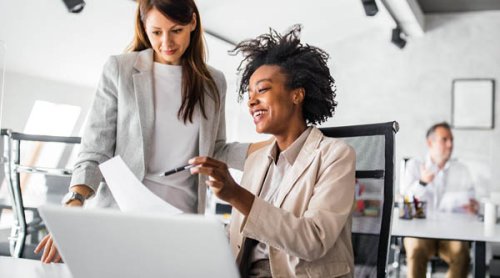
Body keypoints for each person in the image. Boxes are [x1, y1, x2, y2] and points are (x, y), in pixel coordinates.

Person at [35, 0, 266, 263]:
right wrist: (74, 202)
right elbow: (95, 149)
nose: (166, 41)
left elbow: (216, 150)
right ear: (144, 28)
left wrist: (273, 147)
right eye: (156, 32)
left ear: (192, 22)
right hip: (121, 219)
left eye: (176, 30)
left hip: (181, 225)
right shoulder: (119, 69)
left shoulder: (213, 82)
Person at [189, 25, 356, 277]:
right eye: (250, 93)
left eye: (263, 89)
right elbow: (239, 237)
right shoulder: (257, 160)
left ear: (296, 95)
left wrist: (235, 194)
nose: (251, 101)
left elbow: (314, 240)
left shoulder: (335, 155)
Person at [400, 122, 477, 278]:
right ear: (430, 142)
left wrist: (473, 207)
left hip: (451, 233)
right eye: (445, 139)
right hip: (419, 232)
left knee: (462, 253)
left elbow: (471, 200)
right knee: (415, 250)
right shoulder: (414, 166)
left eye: (452, 140)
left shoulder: (461, 170)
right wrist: (422, 182)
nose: (450, 144)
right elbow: (405, 202)